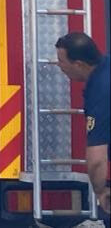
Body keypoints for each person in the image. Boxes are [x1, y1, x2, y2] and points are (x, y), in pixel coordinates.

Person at [54, 32, 109, 223]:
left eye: (61, 61)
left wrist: (101, 191)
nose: (59, 65)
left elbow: (97, 160)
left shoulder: (101, 91)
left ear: (78, 64)